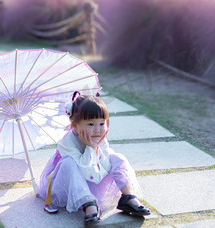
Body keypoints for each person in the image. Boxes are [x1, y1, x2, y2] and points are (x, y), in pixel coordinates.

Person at [38, 91, 151, 224]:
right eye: (91, 124)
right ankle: (88, 203)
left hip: (94, 176)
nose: (97, 130)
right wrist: (91, 148)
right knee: (68, 163)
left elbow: (105, 166)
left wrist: (96, 148)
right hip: (69, 184)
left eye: (102, 124)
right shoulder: (67, 142)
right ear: (75, 125)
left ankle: (127, 197)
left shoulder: (100, 138)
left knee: (116, 157)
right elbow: (83, 171)